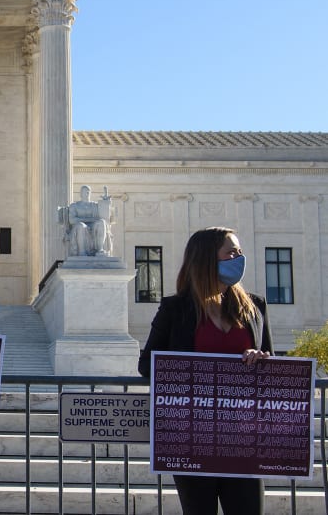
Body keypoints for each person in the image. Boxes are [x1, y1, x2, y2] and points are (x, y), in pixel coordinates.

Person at [138, 227, 272, 515]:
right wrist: (192, 368)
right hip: (192, 437)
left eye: (239, 251)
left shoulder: (255, 307)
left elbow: (270, 362)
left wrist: (260, 357)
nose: (240, 258)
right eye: (232, 252)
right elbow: (147, 364)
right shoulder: (176, 309)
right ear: (207, 259)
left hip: (243, 437)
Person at [64, 184, 111, 256]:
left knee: (102, 222)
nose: (86, 194)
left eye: (88, 192)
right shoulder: (75, 205)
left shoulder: (94, 205)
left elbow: (104, 216)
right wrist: (89, 219)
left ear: (90, 193)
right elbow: (72, 220)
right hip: (78, 229)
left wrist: (105, 202)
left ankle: (100, 249)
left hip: (93, 228)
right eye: (84, 192)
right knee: (81, 225)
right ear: (80, 193)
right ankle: (82, 252)